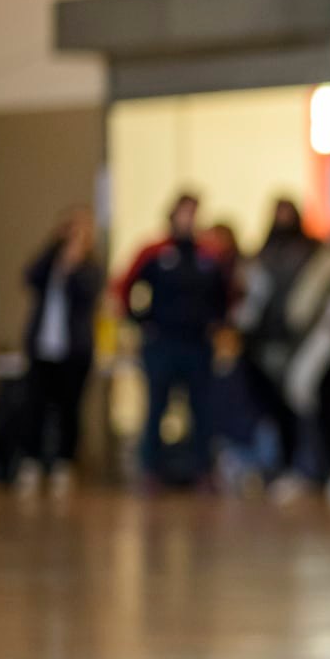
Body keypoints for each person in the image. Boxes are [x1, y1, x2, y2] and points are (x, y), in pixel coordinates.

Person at [234, 198, 330, 509]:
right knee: (282, 411)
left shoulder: (317, 256)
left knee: (319, 406)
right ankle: (292, 469)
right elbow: (253, 305)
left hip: (313, 348)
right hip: (272, 350)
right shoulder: (264, 258)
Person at [114, 192, 232, 489]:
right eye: (184, 213)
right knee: (157, 407)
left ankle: (203, 470)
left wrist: (217, 323)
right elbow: (123, 286)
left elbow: (225, 295)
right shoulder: (154, 251)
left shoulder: (208, 255)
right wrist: (140, 321)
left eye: (193, 213)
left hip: (197, 344)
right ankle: (150, 469)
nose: (188, 219)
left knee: (202, 409)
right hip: (162, 343)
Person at [14, 206, 102, 496]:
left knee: (68, 409)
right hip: (42, 348)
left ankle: (64, 463)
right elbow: (29, 277)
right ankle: (31, 461)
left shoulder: (91, 266)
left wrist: (74, 266)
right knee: (34, 406)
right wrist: (55, 248)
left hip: (73, 351)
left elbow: (87, 295)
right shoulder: (50, 262)